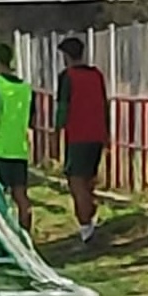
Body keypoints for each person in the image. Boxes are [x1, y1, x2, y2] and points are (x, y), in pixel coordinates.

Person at [55, 36, 108, 243]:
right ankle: (91, 220)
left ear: (66, 57)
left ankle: (87, 229)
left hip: (78, 135)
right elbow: (104, 105)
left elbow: (63, 107)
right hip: (96, 134)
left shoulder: (67, 77)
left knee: (76, 182)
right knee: (88, 180)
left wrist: (56, 129)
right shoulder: (97, 75)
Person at [0, 42, 34, 233]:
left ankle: (3, 237)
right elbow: (30, 120)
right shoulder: (26, 89)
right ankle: (25, 236)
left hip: (0, 147)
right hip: (19, 149)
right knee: (21, 195)